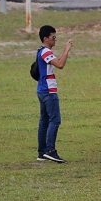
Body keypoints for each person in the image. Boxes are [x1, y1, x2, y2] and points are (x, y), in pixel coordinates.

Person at [36, 24, 72, 163]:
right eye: (53, 37)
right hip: (48, 91)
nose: (55, 40)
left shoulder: (41, 51)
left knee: (44, 121)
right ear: (46, 38)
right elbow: (60, 64)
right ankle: (50, 150)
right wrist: (66, 50)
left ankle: (42, 152)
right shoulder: (46, 52)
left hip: (42, 90)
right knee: (55, 120)